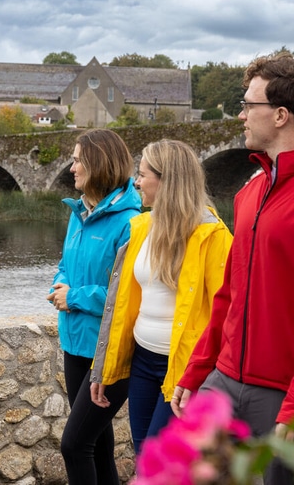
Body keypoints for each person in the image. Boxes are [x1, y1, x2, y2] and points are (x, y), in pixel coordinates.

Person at [171, 53, 294, 485]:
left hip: (286, 391)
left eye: (249, 105)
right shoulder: (251, 192)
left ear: (281, 115)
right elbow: (230, 292)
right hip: (225, 379)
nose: (241, 115)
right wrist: (199, 367)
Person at [88, 139, 233, 455]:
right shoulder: (141, 228)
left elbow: (228, 313)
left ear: (167, 180)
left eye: (142, 175)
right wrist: (104, 369)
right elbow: (121, 306)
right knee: (144, 453)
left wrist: (202, 377)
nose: (136, 182)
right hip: (142, 360)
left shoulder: (213, 236)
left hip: (184, 368)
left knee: (166, 458)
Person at [48, 128, 142, 485]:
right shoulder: (78, 212)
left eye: (77, 160)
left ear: (98, 162)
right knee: (97, 442)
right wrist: (58, 284)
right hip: (75, 343)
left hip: (112, 350)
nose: (71, 167)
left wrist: (72, 297)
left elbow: (126, 296)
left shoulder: (130, 222)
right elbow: (65, 265)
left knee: (74, 445)